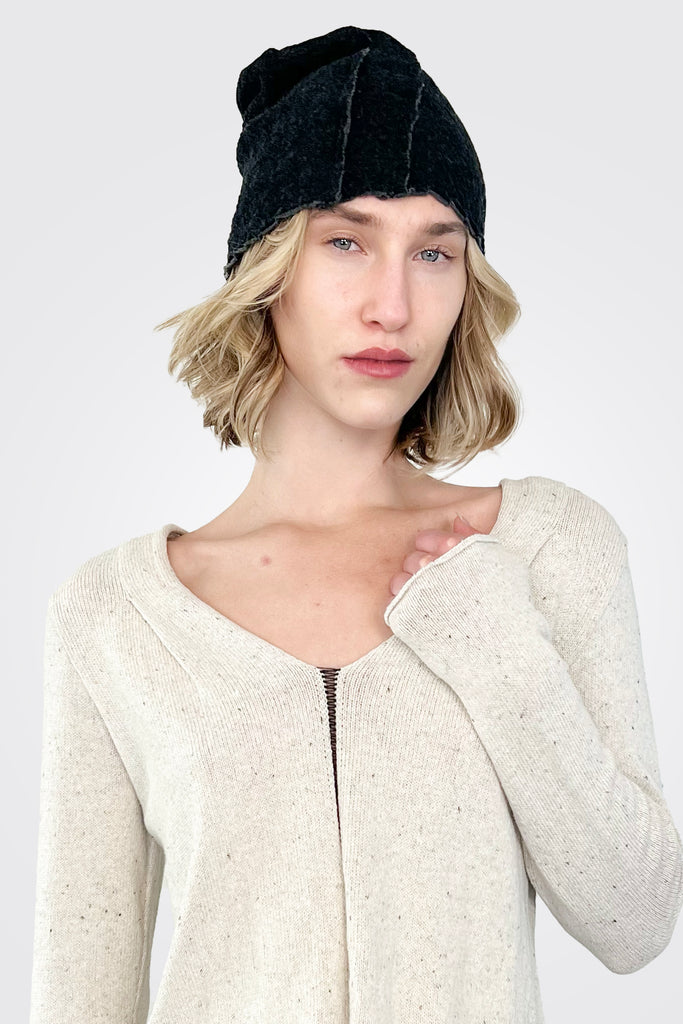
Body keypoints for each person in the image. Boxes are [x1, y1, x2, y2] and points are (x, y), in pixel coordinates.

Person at [29, 25, 683, 1024]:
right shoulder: (115, 612)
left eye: (434, 251)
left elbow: (633, 923)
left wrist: (496, 646)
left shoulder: (544, 548)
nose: (393, 304)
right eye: (345, 241)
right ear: (267, 270)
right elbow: (81, 992)